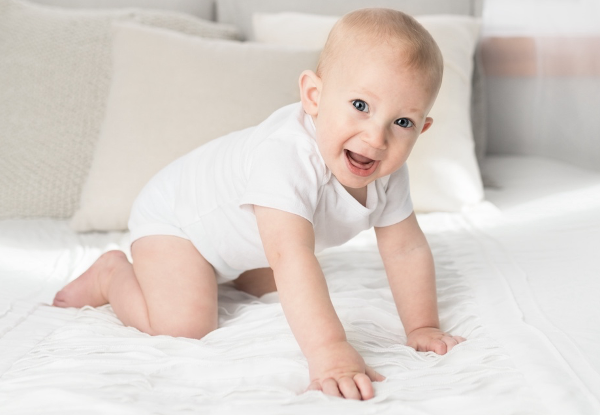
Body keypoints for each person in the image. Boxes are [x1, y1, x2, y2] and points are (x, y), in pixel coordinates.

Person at [53, 8, 466, 401]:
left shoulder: (388, 173)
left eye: (402, 122)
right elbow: (291, 257)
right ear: (314, 96)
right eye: (360, 106)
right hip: (177, 224)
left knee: (276, 285)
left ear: (422, 128)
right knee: (184, 327)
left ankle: (235, 272)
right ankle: (111, 274)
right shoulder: (285, 157)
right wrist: (330, 351)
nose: (376, 138)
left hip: (241, 238)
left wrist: (423, 325)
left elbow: (406, 248)